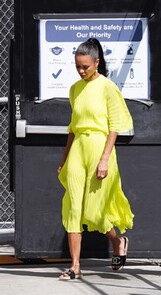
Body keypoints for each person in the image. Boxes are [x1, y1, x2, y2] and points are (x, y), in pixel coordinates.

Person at [57, 38, 134, 280]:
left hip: (100, 147)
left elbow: (115, 126)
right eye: (77, 66)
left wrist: (104, 159)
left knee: (94, 211)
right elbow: (72, 127)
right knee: (73, 208)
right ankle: (75, 266)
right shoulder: (74, 89)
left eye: (85, 67)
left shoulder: (107, 87)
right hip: (78, 149)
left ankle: (117, 240)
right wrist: (65, 157)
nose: (81, 71)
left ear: (97, 63)